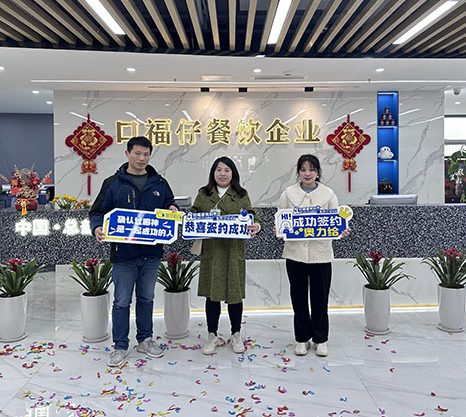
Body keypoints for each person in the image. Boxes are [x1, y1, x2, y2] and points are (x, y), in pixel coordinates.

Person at [90, 136, 178, 367]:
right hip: (123, 255)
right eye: (137, 153)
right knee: (121, 301)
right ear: (127, 154)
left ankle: (145, 340)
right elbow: (97, 212)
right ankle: (120, 345)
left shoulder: (159, 183)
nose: (142, 158)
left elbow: (170, 205)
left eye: (146, 154)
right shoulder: (113, 183)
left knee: (147, 298)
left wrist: (172, 208)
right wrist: (97, 227)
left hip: (152, 254)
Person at [278, 154, 348, 358]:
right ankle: (301, 339)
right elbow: (281, 218)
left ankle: (320, 339)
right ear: (298, 172)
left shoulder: (329, 194)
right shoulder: (288, 194)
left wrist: (341, 228)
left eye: (311, 169)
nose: (307, 173)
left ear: (318, 172)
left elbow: (336, 221)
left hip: (321, 256)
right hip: (295, 255)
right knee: (298, 298)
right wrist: (280, 228)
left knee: (320, 299)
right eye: (303, 169)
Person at [190, 156, 262, 355]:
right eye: (219, 170)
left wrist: (256, 225)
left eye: (227, 170)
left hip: (233, 251)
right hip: (212, 252)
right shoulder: (204, 193)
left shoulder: (241, 194)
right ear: (213, 173)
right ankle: (212, 334)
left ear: (233, 173)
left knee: (234, 294)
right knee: (211, 295)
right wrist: (192, 219)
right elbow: (193, 214)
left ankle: (236, 334)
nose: (222, 174)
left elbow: (253, 216)